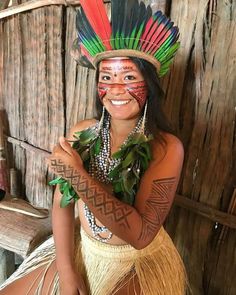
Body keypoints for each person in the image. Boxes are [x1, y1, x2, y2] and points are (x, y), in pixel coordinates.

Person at [0, 0, 188, 294]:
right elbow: (62, 206)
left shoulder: (166, 148)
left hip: (134, 263)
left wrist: (77, 176)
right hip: (83, 250)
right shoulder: (81, 132)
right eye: (106, 78)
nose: (115, 90)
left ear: (148, 85)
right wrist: (66, 269)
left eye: (128, 78)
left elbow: (140, 235)